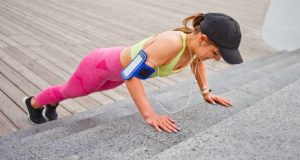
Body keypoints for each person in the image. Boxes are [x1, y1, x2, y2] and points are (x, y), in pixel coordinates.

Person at [23, 12, 243, 133]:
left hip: (115, 75)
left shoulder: (194, 48)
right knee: (71, 91)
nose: (216, 58)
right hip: (100, 65)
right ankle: (33, 103)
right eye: (215, 52)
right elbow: (132, 74)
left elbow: (197, 63)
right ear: (203, 38)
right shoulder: (172, 43)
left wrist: (206, 92)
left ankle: (52, 102)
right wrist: (149, 115)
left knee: (72, 92)